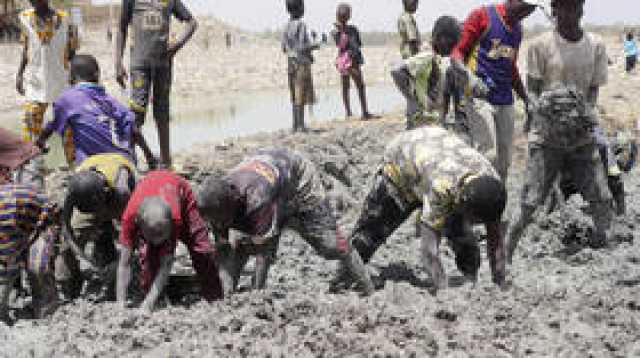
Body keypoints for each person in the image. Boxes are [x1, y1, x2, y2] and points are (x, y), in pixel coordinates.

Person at [333, 127, 507, 293]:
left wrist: (499, 282)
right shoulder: (443, 187)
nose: (475, 225)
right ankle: (343, 278)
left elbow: (496, 239)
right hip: (403, 162)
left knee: (464, 238)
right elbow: (429, 251)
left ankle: (470, 279)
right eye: (473, 220)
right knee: (370, 233)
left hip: (435, 155)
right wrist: (443, 291)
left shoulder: (491, 185)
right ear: (462, 203)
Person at [506, 0, 612, 262]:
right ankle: (506, 251)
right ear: (554, 10)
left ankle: (602, 247)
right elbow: (532, 91)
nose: (568, 13)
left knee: (601, 196)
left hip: (581, 138)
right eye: (562, 8)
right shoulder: (541, 46)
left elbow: (593, 91)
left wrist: (582, 113)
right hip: (546, 138)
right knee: (529, 203)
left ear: (581, 9)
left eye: (573, 7)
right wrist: (545, 106)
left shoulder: (595, 46)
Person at [196, 148, 374, 295]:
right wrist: (223, 291)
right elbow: (224, 249)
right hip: (271, 178)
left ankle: (367, 287)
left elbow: (264, 254)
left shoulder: (256, 200)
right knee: (241, 246)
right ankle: (227, 292)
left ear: (230, 206)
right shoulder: (214, 203)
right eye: (213, 221)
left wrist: (256, 295)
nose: (217, 225)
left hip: (298, 181)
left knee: (330, 244)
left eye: (220, 220)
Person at [452, 0, 539, 182]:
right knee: (488, 154)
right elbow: (457, 55)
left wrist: (525, 97)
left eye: (531, 10)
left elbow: (511, 67)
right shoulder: (482, 16)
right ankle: (479, 202)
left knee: (504, 161)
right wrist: (470, 78)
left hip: (505, 98)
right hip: (479, 96)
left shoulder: (517, 30)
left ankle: (497, 203)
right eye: (524, 7)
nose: (527, 13)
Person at [117, 170, 223, 312]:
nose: (156, 242)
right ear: (139, 224)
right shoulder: (129, 219)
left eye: (162, 236)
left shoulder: (175, 218)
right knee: (150, 259)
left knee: (202, 249)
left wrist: (147, 304)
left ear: (171, 225)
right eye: (152, 236)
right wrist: (120, 304)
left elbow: (166, 262)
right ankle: (157, 300)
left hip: (179, 193)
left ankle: (215, 298)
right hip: (153, 195)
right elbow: (124, 264)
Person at [115, 0, 198, 169]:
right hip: (140, 65)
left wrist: (177, 45)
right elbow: (122, 27)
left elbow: (191, 22)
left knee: (162, 112)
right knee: (136, 114)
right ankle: (132, 161)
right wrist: (118, 62)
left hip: (163, 65)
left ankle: (166, 162)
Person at [36, 54, 153, 167]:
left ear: (71, 77)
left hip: (93, 165)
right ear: (97, 76)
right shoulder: (112, 102)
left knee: (66, 124)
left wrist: (39, 143)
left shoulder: (67, 99)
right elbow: (134, 130)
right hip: (124, 163)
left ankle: (74, 166)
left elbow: (51, 126)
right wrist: (149, 157)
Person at [55, 153, 136, 299]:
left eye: (97, 209)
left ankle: (120, 281)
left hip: (117, 200)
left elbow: (135, 233)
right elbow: (66, 227)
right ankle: (68, 290)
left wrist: (121, 262)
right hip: (95, 193)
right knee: (67, 247)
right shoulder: (75, 189)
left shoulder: (122, 190)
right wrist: (81, 258)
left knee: (126, 245)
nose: (98, 213)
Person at [15, 0, 79, 186]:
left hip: (62, 81)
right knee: (30, 121)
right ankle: (32, 167)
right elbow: (26, 48)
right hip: (36, 81)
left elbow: (73, 52)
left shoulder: (65, 20)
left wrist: (76, 79)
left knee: (68, 126)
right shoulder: (25, 18)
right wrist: (20, 74)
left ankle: (74, 166)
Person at [0, 184, 60, 323]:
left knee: (37, 267)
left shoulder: (4, 220)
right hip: (19, 216)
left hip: (44, 216)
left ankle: (47, 313)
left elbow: (8, 259)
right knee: (8, 267)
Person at [331, 3, 377, 120]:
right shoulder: (351, 30)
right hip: (353, 61)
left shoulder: (336, 32)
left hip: (343, 61)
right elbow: (357, 44)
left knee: (345, 86)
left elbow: (339, 45)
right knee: (360, 86)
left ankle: (348, 112)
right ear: (349, 16)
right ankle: (364, 112)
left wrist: (341, 30)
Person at [282, 0, 319, 132]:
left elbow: (284, 48)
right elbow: (302, 46)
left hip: (290, 63)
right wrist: (316, 43)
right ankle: (301, 125)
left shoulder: (286, 26)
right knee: (301, 94)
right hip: (301, 64)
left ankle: (294, 125)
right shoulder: (301, 25)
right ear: (300, 8)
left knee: (294, 95)